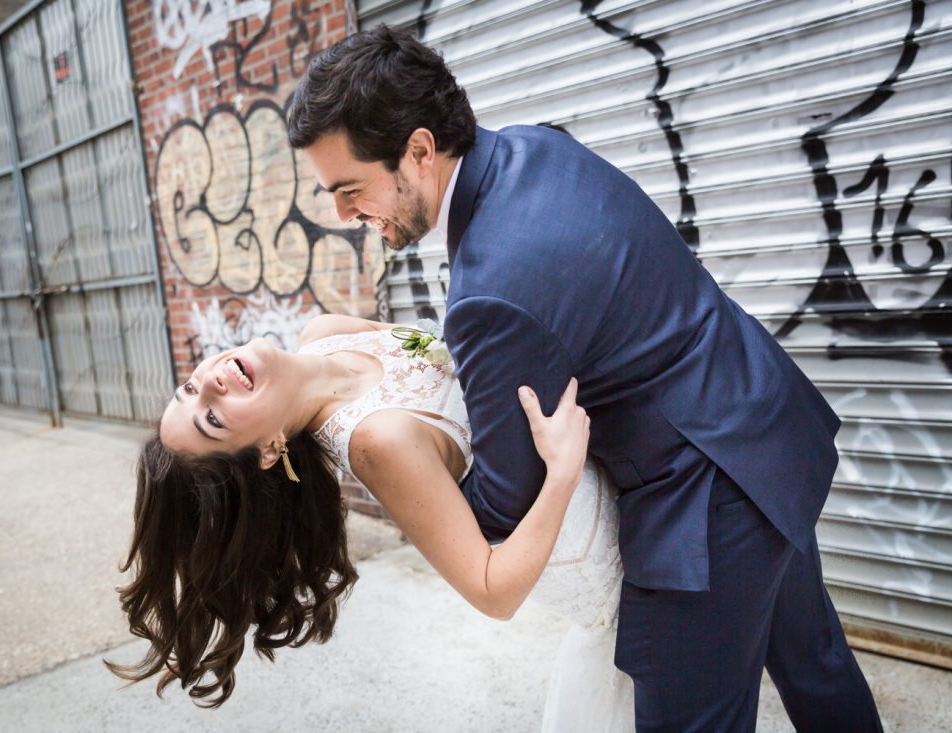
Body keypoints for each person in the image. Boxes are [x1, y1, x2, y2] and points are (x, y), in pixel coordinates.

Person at [284, 25, 883, 733]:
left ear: (418, 149)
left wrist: (415, 464)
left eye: (349, 189)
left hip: (705, 506)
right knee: (818, 667)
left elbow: (507, 500)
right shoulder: (536, 147)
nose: (345, 215)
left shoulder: (488, 294)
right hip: (765, 423)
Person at [110, 315, 633, 730]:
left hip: (629, 462)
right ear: (268, 451)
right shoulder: (375, 442)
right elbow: (492, 591)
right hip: (607, 554)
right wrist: (562, 472)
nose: (210, 381)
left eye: (189, 387)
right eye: (213, 417)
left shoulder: (322, 335)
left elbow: (454, 349)